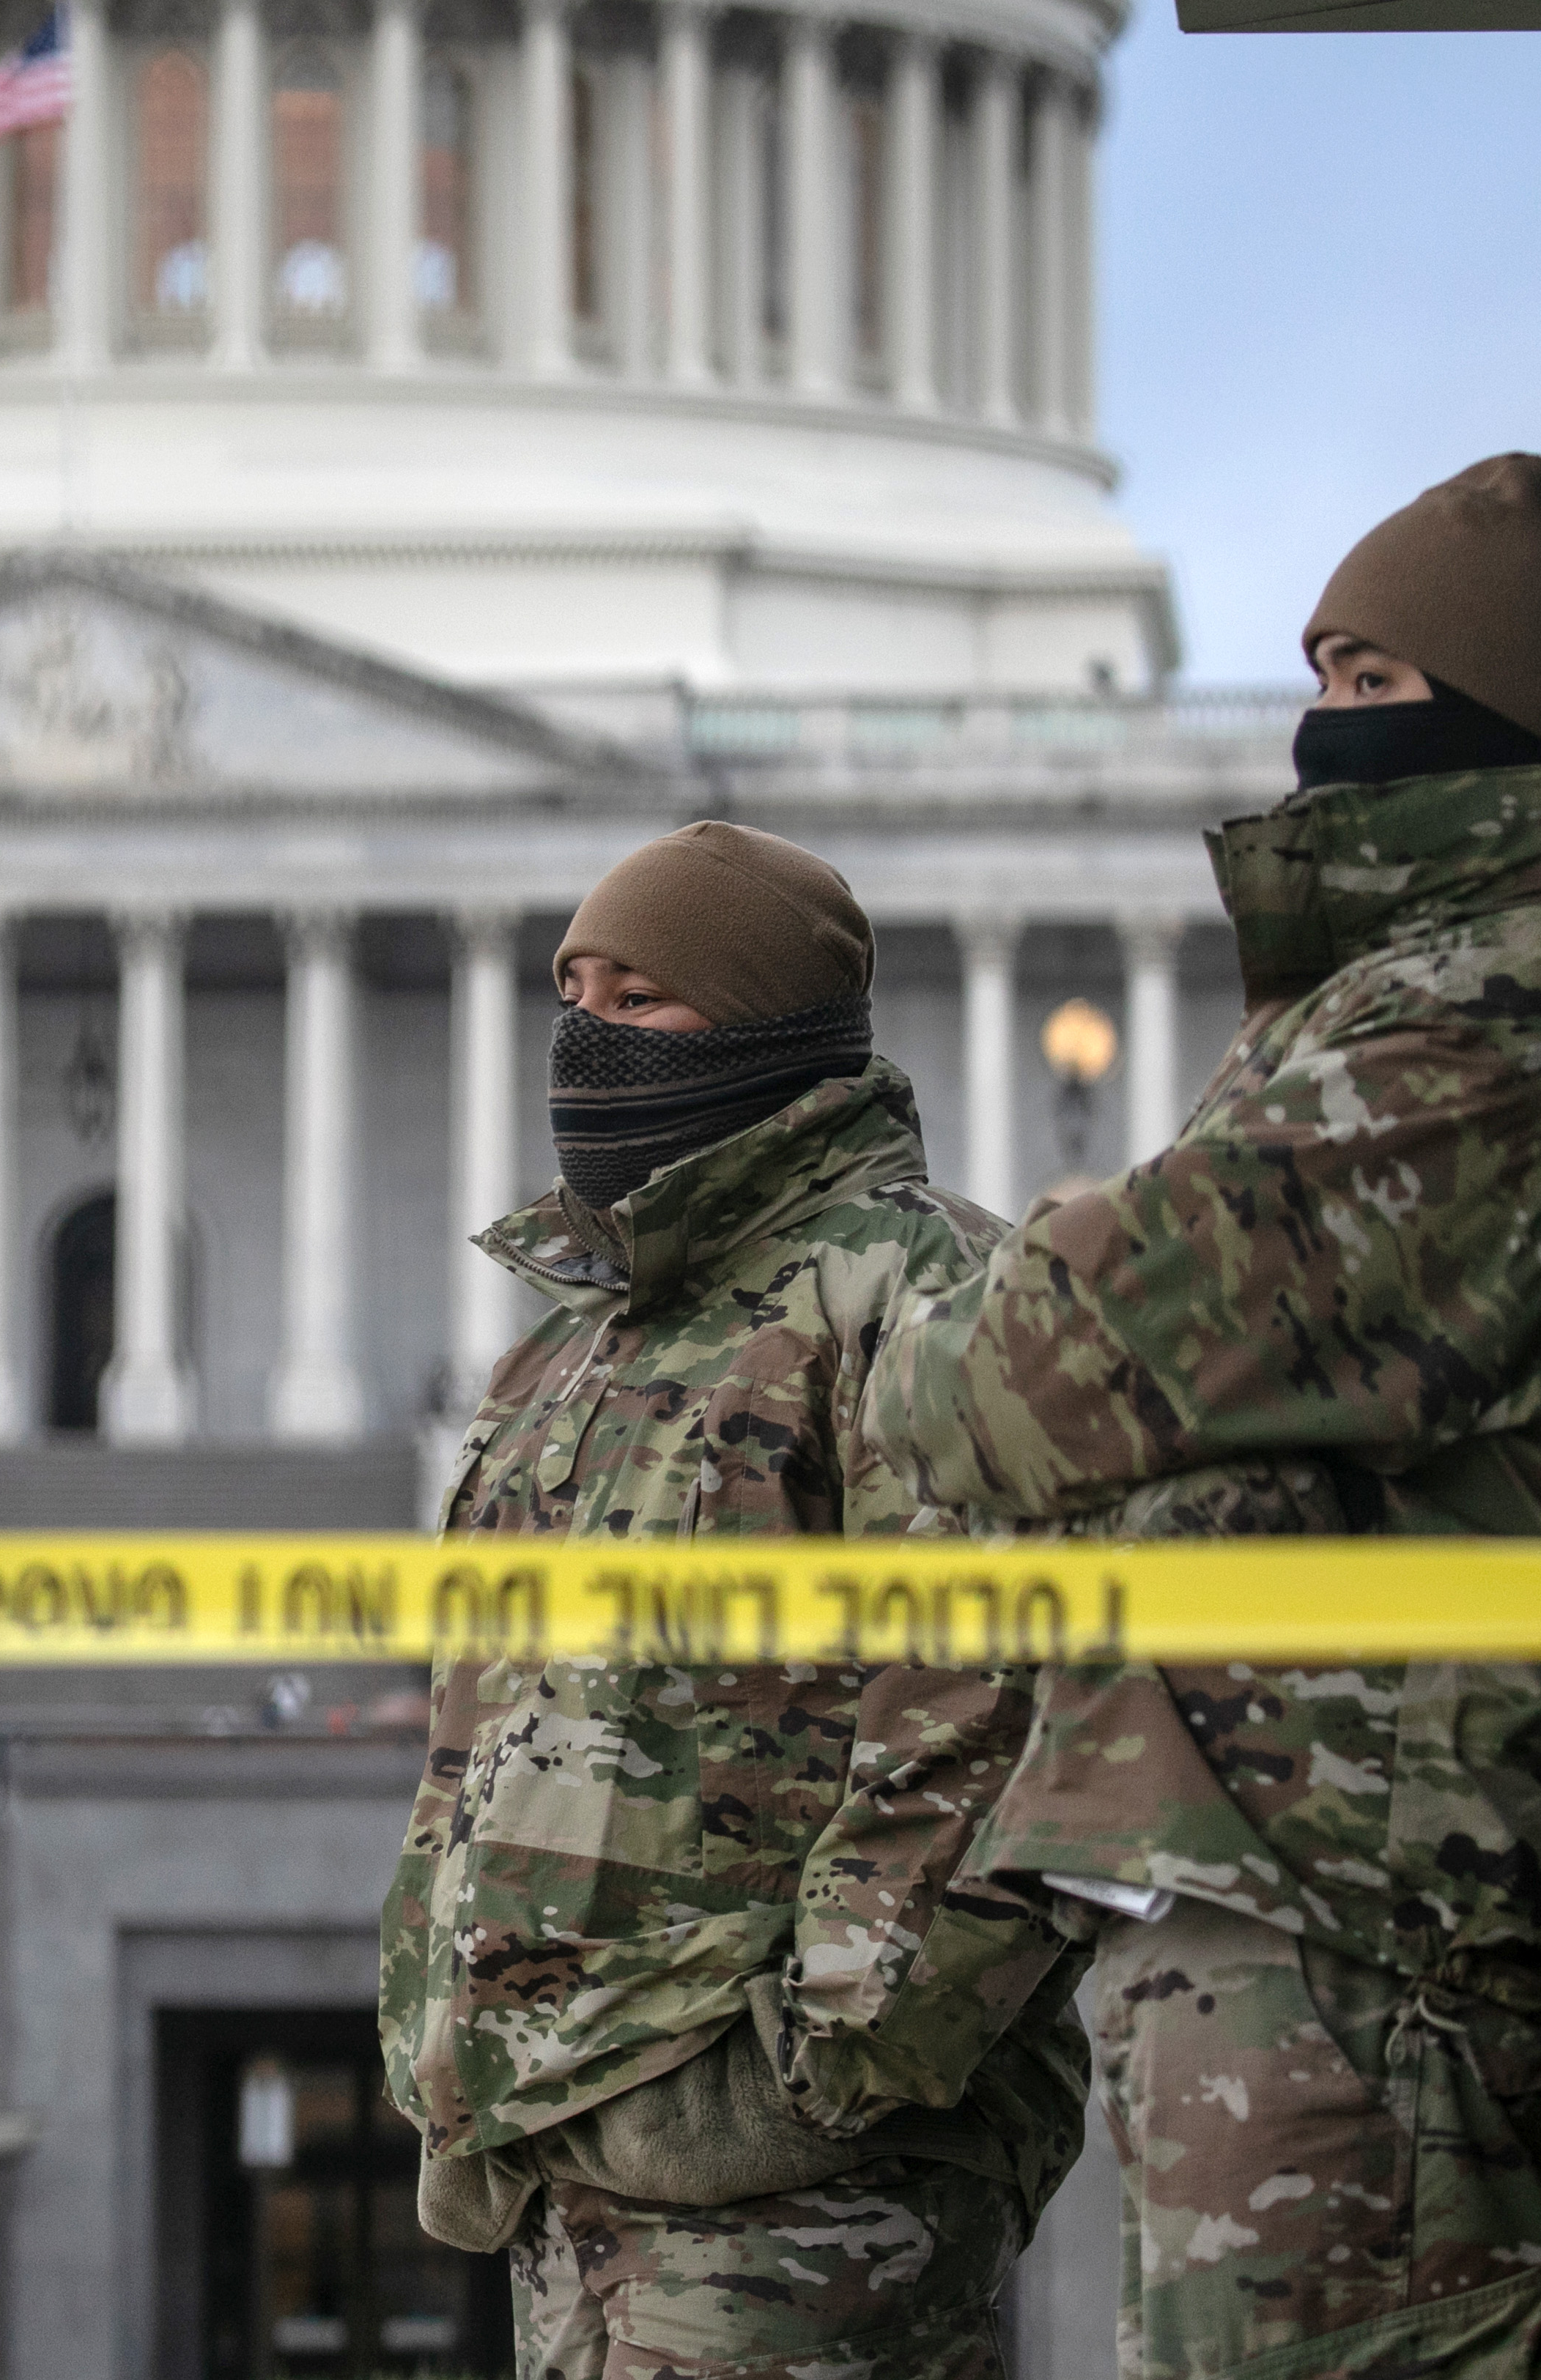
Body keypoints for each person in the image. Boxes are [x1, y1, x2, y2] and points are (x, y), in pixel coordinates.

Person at [862, 454, 1541, 2380]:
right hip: (1341, 1899)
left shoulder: (1486, 1020)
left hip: (1373, 1921)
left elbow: (1028, 1373)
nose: (1315, 733)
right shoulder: (1437, 998)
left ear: (1502, 715)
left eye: (1369, 685)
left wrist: (1034, 1288)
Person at [379, 821, 1094, 2380]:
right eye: (571, 989)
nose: (584, 1032)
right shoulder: (567, 1349)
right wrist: (448, 2051)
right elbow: (477, 1730)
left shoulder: (920, 1292)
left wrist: (793, 2081)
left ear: (772, 1021)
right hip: (564, 2166)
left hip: (804, 2193)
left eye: (640, 997)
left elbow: (994, 1724)